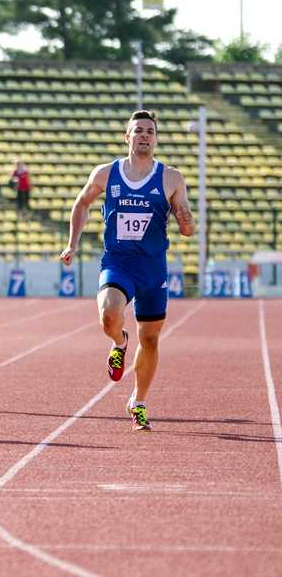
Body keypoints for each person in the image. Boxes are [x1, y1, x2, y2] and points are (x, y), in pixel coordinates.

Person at [59, 109, 194, 431]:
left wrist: (186, 220)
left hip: (152, 268)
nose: (144, 135)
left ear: (156, 138)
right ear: (127, 137)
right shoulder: (107, 173)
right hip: (118, 262)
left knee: (149, 339)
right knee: (108, 312)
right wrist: (72, 243)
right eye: (138, 131)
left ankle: (139, 401)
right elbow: (81, 203)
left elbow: (187, 229)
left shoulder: (171, 177)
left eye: (150, 131)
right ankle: (119, 341)